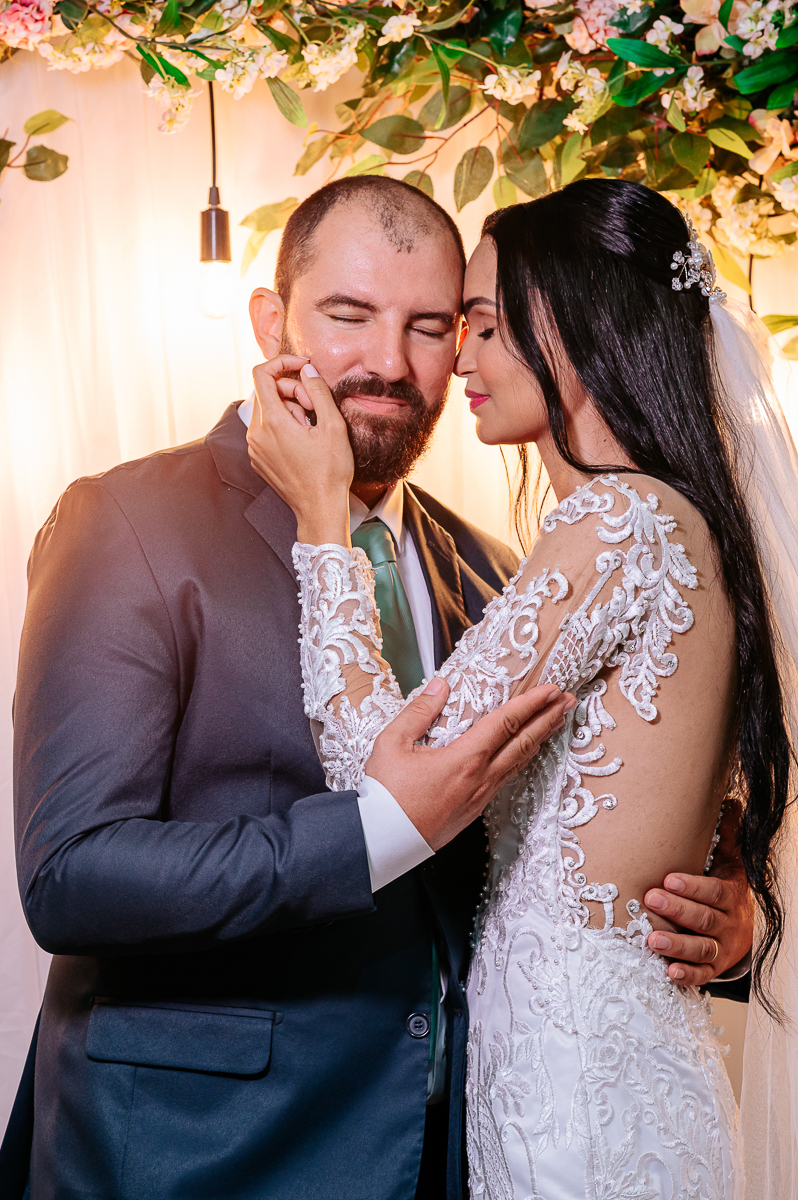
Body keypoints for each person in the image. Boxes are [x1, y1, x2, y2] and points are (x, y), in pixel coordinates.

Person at [4, 177, 751, 1200]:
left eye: (434, 327)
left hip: (455, 1155)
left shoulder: (497, 566)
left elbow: (586, 824)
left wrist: (719, 923)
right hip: (197, 1157)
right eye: (348, 316)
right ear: (272, 323)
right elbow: (73, 876)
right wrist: (375, 831)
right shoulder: (125, 522)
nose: (391, 364)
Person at [245, 178, 795, 1198]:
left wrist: (321, 517)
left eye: (485, 326)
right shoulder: (669, 524)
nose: (459, 359)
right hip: (594, 1071)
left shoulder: (621, 523)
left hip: (577, 1092)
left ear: (576, 332)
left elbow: (380, 771)